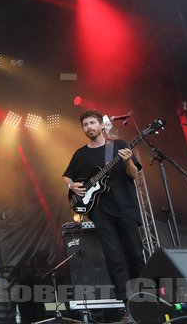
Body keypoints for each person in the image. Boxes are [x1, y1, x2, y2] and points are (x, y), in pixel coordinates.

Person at [62, 109, 145, 305]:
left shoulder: (119, 146)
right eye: (85, 124)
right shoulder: (81, 154)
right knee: (113, 256)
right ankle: (127, 303)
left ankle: (145, 298)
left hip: (125, 208)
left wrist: (127, 162)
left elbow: (134, 174)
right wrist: (70, 185)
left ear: (101, 125)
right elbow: (66, 175)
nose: (89, 127)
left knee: (135, 253)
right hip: (100, 212)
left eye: (92, 123)